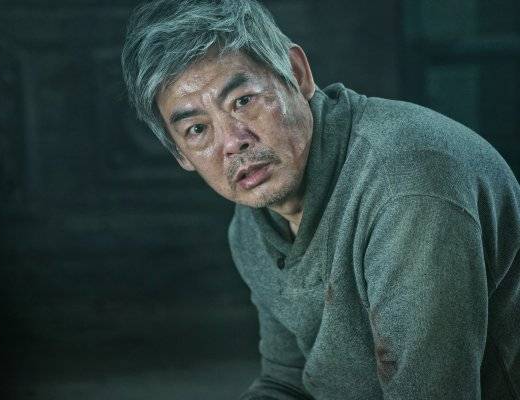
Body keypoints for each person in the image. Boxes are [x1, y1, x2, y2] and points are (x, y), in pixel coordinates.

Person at [121, 0, 520, 398]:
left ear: (297, 74)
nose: (233, 142)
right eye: (196, 129)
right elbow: (287, 380)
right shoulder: (254, 220)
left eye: (243, 101)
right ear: (180, 155)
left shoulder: (408, 190)